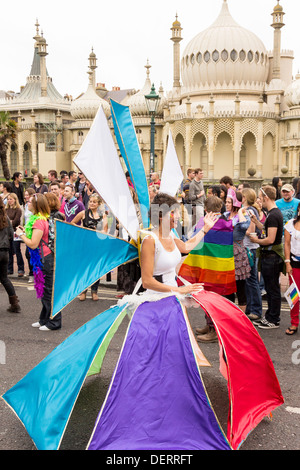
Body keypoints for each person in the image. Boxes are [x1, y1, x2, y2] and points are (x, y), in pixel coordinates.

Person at [140, 192, 218, 294]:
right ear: (160, 216)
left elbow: (186, 247)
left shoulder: (171, 234)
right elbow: (147, 282)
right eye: (173, 212)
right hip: (156, 298)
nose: (178, 216)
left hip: (174, 293)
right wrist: (180, 290)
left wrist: (205, 228)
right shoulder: (150, 240)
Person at [15, 194, 62, 331]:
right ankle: (44, 320)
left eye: (29, 202)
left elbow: (33, 244)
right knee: (43, 290)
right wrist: (26, 232)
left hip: (45, 259)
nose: (27, 203)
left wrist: (20, 234)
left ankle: (55, 322)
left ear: (36, 205)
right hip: (42, 258)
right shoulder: (39, 219)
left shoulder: (39, 222)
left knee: (48, 292)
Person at [250, 186, 284, 329]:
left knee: (272, 288)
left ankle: (273, 319)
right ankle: (269, 316)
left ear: (266, 198)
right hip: (268, 256)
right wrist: (257, 223)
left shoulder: (274, 215)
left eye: (259, 197)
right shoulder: (271, 214)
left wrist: (256, 241)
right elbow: (267, 229)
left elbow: (270, 239)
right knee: (270, 289)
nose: (258, 200)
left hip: (271, 257)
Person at [70, 193, 108, 301]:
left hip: (96, 246)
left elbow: (105, 231)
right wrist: (81, 231)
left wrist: (97, 232)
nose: (91, 203)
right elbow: (72, 223)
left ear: (99, 204)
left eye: (94, 202)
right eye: (90, 201)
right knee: (83, 269)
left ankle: (94, 291)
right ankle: (83, 291)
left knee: (96, 269)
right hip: (84, 246)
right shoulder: (83, 213)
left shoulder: (102, 215)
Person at [224, 189, 251, 314]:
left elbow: (244, 227)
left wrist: (240, 211)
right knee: (227, 288)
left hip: (238, 255)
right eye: (226, 202)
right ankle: (230, 316)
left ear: (235, 203)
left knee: (240, 288)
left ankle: (241, 318)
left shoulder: (244, 216)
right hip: (225, 254)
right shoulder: (224, 215)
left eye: (229, 202)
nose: (227, 204)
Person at [241, 188, 262, 321]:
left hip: (249, 248)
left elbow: (251, 231)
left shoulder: (249, 210)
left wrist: (238, 228)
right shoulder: (249, 209)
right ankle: (250, 308)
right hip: (248, 248)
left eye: (242, 196)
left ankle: (256, 310)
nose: (240, 198)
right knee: (248, 281)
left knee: (252, 280)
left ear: (246, 197)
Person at [0, 198, 21, 313]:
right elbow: (11, 235)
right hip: (4, 252)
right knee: (4, 278)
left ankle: (15, 304)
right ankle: (14, 304)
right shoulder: (5, 218)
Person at [283, 203, 300, 335]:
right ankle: (294, 323)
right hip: (294, 263)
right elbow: (287, 244)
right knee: (294, 295)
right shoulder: (290, 224)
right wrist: (287, 263)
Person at [6, 193, 25, 277]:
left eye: (11, 199)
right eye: (8, 199)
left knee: (17, 251)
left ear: (15, 200)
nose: (9, 201)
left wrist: (9, 222)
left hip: (15, 232)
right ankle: (9, 269)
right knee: (9, 251)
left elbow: (16, 221)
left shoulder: (18, 209)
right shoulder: (5, 209)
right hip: (7, 233)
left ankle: (21, 269)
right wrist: (10, 222)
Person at [24, 188, 35, 282]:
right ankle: (32, 273)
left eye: (28, 195)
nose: (26, 197)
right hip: (27, 231)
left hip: (33, 231)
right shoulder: (26, 205)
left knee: (31, 253)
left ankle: (34, 274)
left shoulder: (34, 206)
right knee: (28, 254)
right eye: (25, 195)